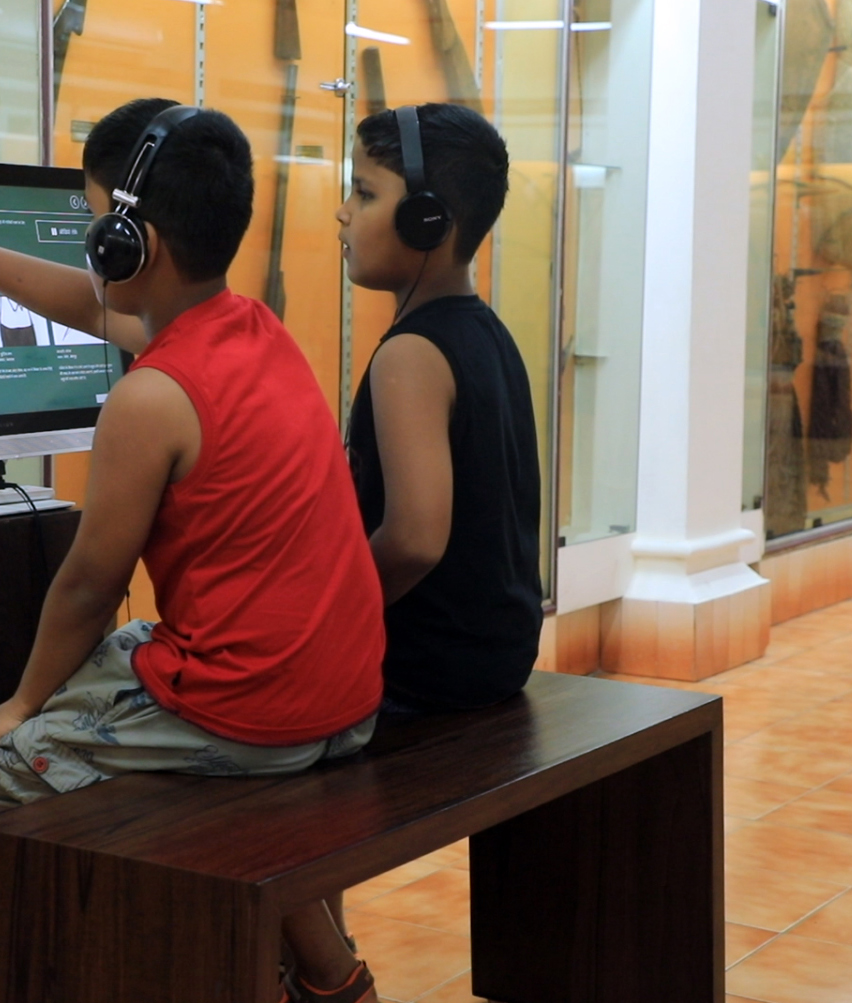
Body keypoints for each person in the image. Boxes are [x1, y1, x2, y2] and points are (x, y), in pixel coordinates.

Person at [0, 98, 387, 1003]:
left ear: (130, 246)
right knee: (125, 656)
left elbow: (91, 582)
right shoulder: (253, 331)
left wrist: (17, 705)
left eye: (98, 221)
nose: (92, 245)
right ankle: (330, 974)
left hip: (256, 716)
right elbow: (95, 313)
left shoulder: (151, 399)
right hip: (343, 692)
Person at [317, 103, 544, 981]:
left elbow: (412, 538)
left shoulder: (408, 355)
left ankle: (322, 970)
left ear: (426, 222)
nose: (341, 212)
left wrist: (321, 616)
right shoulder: (484, 333)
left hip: (428, 673)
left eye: (362, 192)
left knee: (237, 717)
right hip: (493, 653)